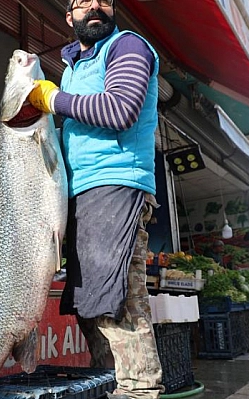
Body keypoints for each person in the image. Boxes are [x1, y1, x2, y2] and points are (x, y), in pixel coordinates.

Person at [27, 0, 162, 397]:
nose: (94, 6)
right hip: (80, 195)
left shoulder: (127, 46)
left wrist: (53, 101)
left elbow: (121, 109)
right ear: (70, 18)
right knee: (91, 307)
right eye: (82, 2)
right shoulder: (72, 70)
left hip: (116, 185)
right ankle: (111, 384)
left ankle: (139, 391)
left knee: (116, 300)